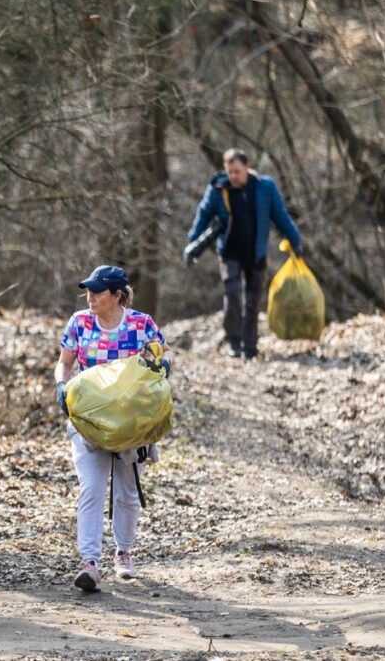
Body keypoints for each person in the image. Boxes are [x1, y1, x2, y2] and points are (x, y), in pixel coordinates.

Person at [54, 265, 169, 592]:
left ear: (117, 295)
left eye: (98, 291)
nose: (90, 297)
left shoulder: (140, 323)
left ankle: (124, 553)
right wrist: (61, 386)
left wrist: (162, 366)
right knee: (90, 488)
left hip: (128, 420)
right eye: (88, 291)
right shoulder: (79, 322)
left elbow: (163, 355)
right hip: (88, 418)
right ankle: (89, 563)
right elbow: (64, 361)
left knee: (127, 491)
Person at [187, 148, 303, 358]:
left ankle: (249, 346)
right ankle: (234, 340)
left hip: (256, 253)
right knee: (232, 292)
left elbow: (280, 215)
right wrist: (192, 243)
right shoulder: (218, 188)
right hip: (229, 252)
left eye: (237, 171)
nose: (233, 176)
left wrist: (295, 240)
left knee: (252, 300)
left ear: (247, 168)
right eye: (229, 171)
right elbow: (203, 214)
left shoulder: (265, 187)